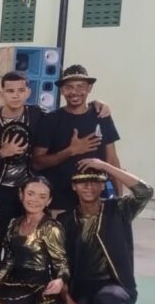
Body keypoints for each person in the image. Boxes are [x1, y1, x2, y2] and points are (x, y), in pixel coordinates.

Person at [61, 160, 154, 304]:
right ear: (74, 186)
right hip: (82, 289)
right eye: (82, 182)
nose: (89, 186)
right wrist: (68, 299)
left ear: (103, 185)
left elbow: (145, 191)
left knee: (109, 299)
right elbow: (59, 263)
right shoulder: (66, 220)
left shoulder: (118, 210)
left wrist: (106, 166)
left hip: (115, 286)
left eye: (95, 181)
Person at [32, 65, 121, 214]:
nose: (75, 92)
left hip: (95, 200)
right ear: (62, 90)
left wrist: (119, 200)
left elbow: (112, 161)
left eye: (81, 86)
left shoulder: (102, 116)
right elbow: (37, 163)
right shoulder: (50, 120)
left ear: (89, 88)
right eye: (69, 87)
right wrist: (71, 151)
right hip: (59, 202)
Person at [0, 71, 45, 259]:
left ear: (28, 92)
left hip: (29, 191)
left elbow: (64, 116)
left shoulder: (38, 115)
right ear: (2, 94)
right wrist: (1, 153)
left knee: (27, 242)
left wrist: (96, 105)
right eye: (10, 91)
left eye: (20, 90)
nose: (15, 95)